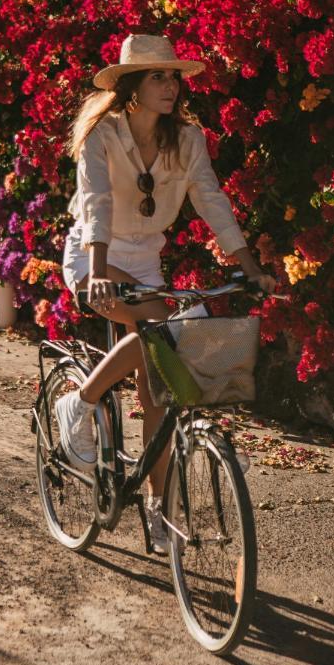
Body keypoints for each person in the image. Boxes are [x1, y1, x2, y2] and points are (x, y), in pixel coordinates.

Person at [56, 33, 275, 553]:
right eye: (158, 75)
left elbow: (212, 200)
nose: (170, 85)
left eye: (173, 76)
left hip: (145, 264)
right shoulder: (101, 134)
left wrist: (250, 267)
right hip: (94, 256)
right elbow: (96, 203)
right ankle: (79, 405)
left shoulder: (187, 139)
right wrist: (101, 271)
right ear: (131, 86)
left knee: (163, 381)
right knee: (163, 333)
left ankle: (160, 509)